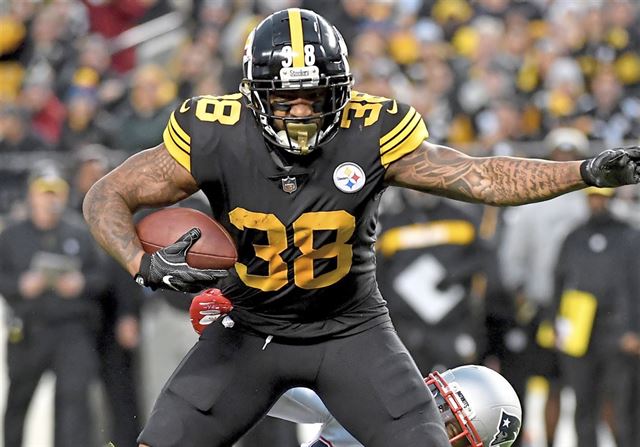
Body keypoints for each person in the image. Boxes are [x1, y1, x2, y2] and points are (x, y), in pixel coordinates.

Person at [81, 8, 640, 447]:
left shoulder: (371, 129)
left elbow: (482, 177)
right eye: (286, 99)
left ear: (342, 91)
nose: (301, 112)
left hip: (350, 330)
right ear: (253, 97)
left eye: (315, 96)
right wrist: (140, 261)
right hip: (250, 327)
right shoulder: (214, 130)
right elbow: (108, 193)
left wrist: (583, 170)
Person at [190, 290, 522, 447]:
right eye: (440, 408)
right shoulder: (376, 404)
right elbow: (276, 386)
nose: (434, 427)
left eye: (451, 433)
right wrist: (239, 338)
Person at [0, 163, 103, 447]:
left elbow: (102, 275)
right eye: (44, 192)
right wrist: (20, 285)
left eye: (55, 193)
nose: (50, 199)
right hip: (29, 329)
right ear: (31, 195)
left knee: (73, 401)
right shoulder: (11, 235)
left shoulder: (80, 233)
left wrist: (81, 283)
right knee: (19, 400)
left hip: (71, 329)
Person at [551, 187, 640, 447]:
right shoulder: (574, 236)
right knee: (583, 404)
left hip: (618, 331)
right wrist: (556, 322)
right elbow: (558, 281)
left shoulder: (629, 235)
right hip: (580, 332)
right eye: (592, 197)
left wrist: (635, 329)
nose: (597, 203)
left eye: (602, 197)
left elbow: (636, 284)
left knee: (622, 405)